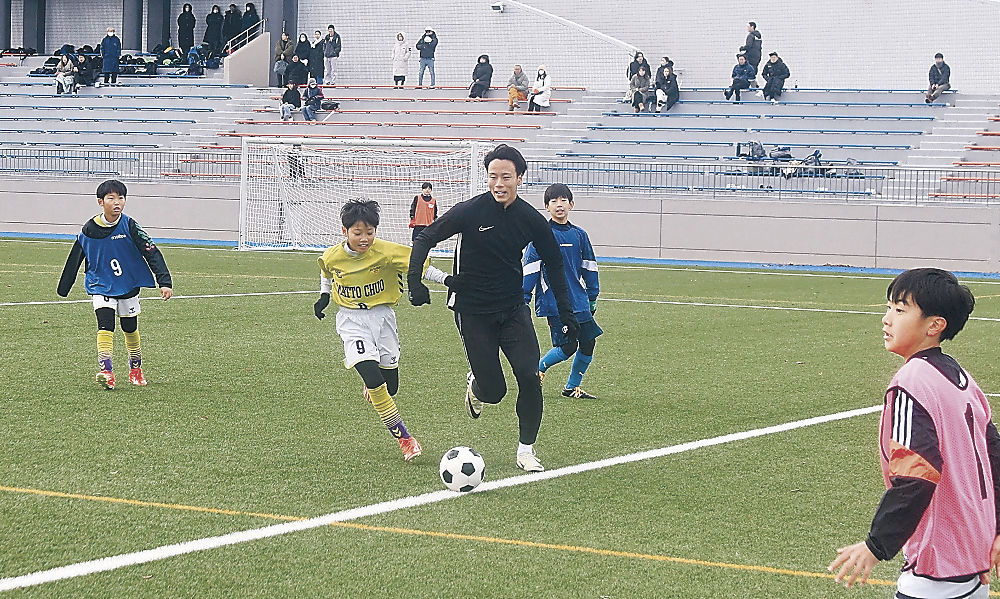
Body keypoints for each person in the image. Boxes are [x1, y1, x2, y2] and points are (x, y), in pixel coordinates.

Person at [827, 268, 1000, 599]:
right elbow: (995, 457)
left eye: (900, 310)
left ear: (935, 325)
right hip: (972, 565)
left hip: (936, 574)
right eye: (889, 307)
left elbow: (917, 475)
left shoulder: (912, 382)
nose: (887, 319)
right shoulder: (963, 379)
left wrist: (876, 544)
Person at [407, 144, 579, 473]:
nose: (499, 183)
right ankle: (477, 386)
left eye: (506, 177)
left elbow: (554, 265)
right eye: (492, 177)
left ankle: (526, 450)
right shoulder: (471, 210)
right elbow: (425, 237)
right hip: (473, 311)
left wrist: (567, 315)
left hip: (513, 309)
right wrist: (416, 280)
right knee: (495, 391)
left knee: (530, 376)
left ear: (520, 178)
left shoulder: (530, 219)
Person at [314, 199, 452, 463]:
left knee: (391, 386)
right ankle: (405, 439)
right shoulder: (333, 255)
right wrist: (324, 296)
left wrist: (449, 281)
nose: (364, 238)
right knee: (375, 381)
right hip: (351, 321)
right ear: (345, 232)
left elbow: (421, 266)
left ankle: (374, 385)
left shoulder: (387, 252)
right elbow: (326, 271)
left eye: (369, 232)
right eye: (357, 233)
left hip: (383, 318)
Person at [57, 179, 173, 390]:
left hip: (127, 283)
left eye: (121, 198)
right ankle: (106, 371)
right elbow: (75, 257)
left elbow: (151, 250)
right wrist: (64, 287)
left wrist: (164, 281)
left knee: (130, 328)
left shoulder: (129, 225)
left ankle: (135, 369)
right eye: (111, 198)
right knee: (105, 324)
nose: (117, 202)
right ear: (100, 202)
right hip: (100, 283)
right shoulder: (89, 230)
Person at [523, 184, 601, 399]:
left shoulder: (580, 235)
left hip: (579, 300)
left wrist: (592, 296)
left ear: (571, 204)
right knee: (567, 346)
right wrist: (524, 297)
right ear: (546, 207)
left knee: (588, 342)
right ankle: (536, 370)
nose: (559, 205)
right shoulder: (541, 235)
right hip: (554, 302)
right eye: (554, 201)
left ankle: (571, 387)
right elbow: (530, 268)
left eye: (563, 200)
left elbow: (589, 267)